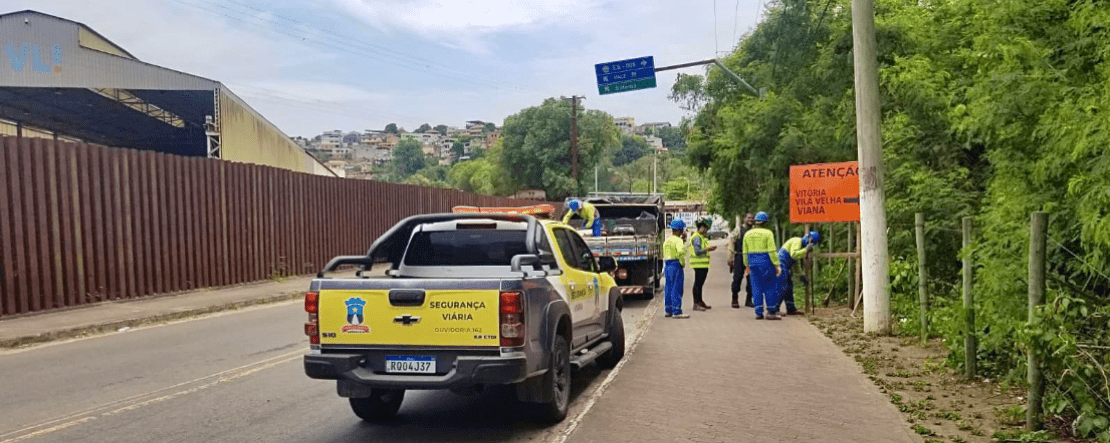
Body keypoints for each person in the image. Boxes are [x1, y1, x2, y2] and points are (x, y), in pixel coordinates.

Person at [742, 212, 782, 320]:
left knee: (756, 287)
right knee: (769, 286)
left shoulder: (748, 234)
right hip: (766, 262)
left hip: (753, 263)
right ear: (765, 222)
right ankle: (771, 311)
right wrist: (777, 264)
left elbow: (745, 252)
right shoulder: (768, 233)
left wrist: (746, 265)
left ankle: (758, 312)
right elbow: (772, 251)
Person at [776, 231, 821, 316]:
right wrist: (806, 250)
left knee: (789, 286)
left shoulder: (801, 247)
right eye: (810, 242)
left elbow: (796, 263)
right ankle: (774, 308)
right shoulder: (797, 241)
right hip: (781, 263)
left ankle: (791, 308)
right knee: (782, 285)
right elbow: (794, 255)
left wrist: (801, 274)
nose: (809, 244)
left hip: (786, 265)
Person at [726, 213, 755, 308]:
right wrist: (730, 257)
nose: (750, 219)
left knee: (751, 279)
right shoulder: (738, 230)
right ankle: (734, 299)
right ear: (744, 219)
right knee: (737, 278)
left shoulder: (754, 230)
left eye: (752, 218)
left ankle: (749, 300)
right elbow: (731, 242)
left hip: (751, 258)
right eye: (749, 218)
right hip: (740, 257)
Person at [688, 217, 718, 311]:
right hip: (699, 264)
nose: (706, 230)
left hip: (702, 264)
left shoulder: (700, 237)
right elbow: (697, 251)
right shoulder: (697, 237)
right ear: (700, 228)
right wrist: (708, 249)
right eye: (705, 228)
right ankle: (696, 303)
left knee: (700, 284)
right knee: (698, 284)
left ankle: (700, 301)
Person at [662, 219, 690, 319]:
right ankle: (677, 311)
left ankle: (668, 310)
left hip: (667, 265)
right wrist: (682, 263)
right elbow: (680, 253)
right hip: (676, 265)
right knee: (677, 288)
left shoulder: (667, 241)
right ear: (680, 230)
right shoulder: (678, 241)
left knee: (668, 288)